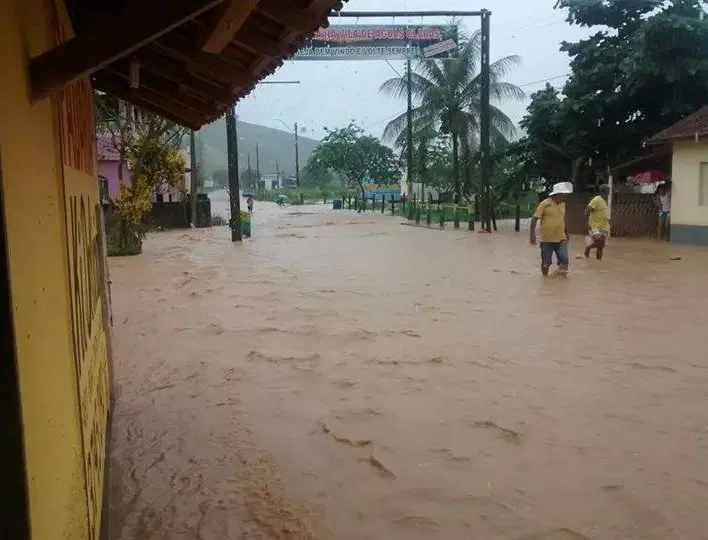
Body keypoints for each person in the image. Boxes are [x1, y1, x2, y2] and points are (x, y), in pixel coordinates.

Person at [529, 181, 573, 276]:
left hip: (561, 238)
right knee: (546, 263)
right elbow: (534, 219)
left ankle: (561, 284)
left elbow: (561, 219)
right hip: (547, 239)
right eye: (564, 194)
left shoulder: (563, 204)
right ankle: (545, 281)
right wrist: (532, 235)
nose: (566, 196)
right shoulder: (545, 204)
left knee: (564, 259)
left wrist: (566, 233)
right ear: (558, 194)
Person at [584, 184, 610, 260]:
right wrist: (587, 223)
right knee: (598, 242)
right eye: (608, 191)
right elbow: (587, 211)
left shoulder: (605, 201)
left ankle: (599, 261)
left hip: (604, 227)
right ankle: (588, 247)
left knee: (601, 245)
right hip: (594, 226)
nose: (608, 193)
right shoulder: (596, 199)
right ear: (604, 191)